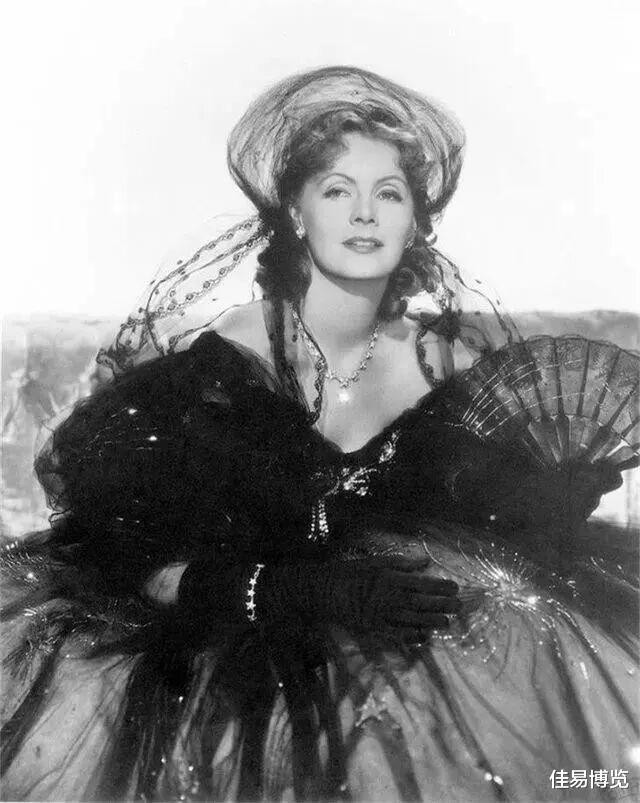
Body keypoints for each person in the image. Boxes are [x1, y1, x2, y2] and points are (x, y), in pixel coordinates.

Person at [1, 66, 638, 802]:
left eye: (389, 194)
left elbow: (474, 516)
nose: (365, 214)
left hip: (397, 640)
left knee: (524, 648)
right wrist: (294, 589)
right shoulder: (222, 369)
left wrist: (551, 499)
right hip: (234, 637)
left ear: (415, 223)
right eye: (338, 191)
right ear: (296, 214)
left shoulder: (446, 367)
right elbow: (134, 557)